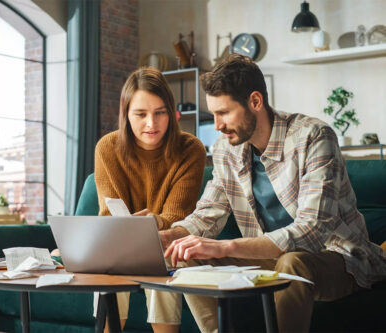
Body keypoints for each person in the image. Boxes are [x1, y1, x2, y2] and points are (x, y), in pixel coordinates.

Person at [160, 54, 386, 332]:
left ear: (255, 101)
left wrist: (227, 245)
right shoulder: (224, 150)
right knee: (187, 254)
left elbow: (313, 230)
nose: (216, 125)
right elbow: (207, 214)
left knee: (292, 262)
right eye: (214, 114)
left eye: (224, 113)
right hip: (268, 258)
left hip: (337, 257)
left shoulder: (314, 136)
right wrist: (167, 237)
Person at [94, 66, 206, 332]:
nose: (151, 124)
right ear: (126, 114)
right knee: (110, 259)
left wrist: (154, 222)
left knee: (163, 255)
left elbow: (177, 219)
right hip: (117, 244)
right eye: (141, 114)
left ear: (172, 112)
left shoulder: (191, 149)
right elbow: (110, 217)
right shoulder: (107, 148)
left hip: (166, 242)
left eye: (160, 113)